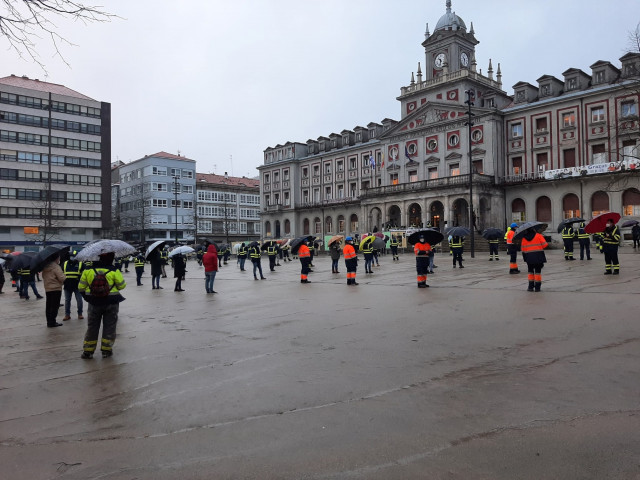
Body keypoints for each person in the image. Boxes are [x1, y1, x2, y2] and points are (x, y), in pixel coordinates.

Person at [78, 252, 126, 359]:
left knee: (92, 327)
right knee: (110, 327)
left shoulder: (88, 270)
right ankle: (106, 350)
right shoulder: (114, 270)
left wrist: (88, 298)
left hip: (94, 303)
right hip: (111, 303)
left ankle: (88, 351)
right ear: (111, 259)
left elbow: (81, 287)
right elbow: (122, 286)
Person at [42, 255, 66, 327]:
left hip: (48, 288)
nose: (59, 260)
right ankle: (53, 322)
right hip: (56, 288)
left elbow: (43, 276)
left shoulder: (45, 266)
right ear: (56, 259)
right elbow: (61, 278)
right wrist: (65, 276)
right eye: (59, 258)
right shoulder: (56, 267)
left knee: (48, 305)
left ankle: (49, 321)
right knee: (55, 306)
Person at [62, 254, 84, 321]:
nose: (72, 258)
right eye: (71, 256)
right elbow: (61, 273)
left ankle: (80, 314)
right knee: (67, 301)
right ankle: (67, 315)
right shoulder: (65, 263)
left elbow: (83, 274)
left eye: (74, 256)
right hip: (67, 285)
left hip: (77, 285)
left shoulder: (81, 264)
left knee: (79, 300)